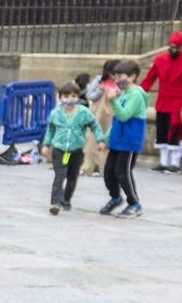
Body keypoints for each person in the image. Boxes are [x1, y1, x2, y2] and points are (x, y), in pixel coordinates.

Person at [42, 80, 102, 214]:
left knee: (72, 176)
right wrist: (46, 144)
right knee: (60, 175)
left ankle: (66, 199)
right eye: (66, 96)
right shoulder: (55, 113)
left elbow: (95, 125)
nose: (70, 99)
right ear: (60, 98)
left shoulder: (83, 112)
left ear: (78, 97)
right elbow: (50, 129)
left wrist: (100, 139)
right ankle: (55, 203)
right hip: (61, 151)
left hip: (75, 151)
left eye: (74, 96)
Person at [141, 31, 182, 173]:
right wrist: (140, 92)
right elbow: (150, 78)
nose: (174, 50)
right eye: (172, 47)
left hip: (179, 102)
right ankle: (164, 163)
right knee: (162, 131)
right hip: (163, 100)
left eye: (177, 47)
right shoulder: (159, 59)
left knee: (177, 132)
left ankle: (175, 164)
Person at [103, 60, 152, 217]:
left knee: (122, 172)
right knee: (109, 172)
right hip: (118, 139)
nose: (117, 80)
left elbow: (124, 116)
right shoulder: (123, 93)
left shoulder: (136, 94)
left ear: (132, 77)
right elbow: (117, 119)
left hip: (129, 140)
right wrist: (105, 139)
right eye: (115, 76)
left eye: (120, 76)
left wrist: (113, 100)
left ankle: (135, 203)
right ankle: (116, 198)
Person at [81, 58, 117, 178]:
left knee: (107, 139)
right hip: (97, 112)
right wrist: (101, 90)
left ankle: (103, 167)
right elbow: (89, 95)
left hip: (111, 114)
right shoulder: (98, 80)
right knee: (92, 138)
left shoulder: (121, 82)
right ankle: (89, 166)